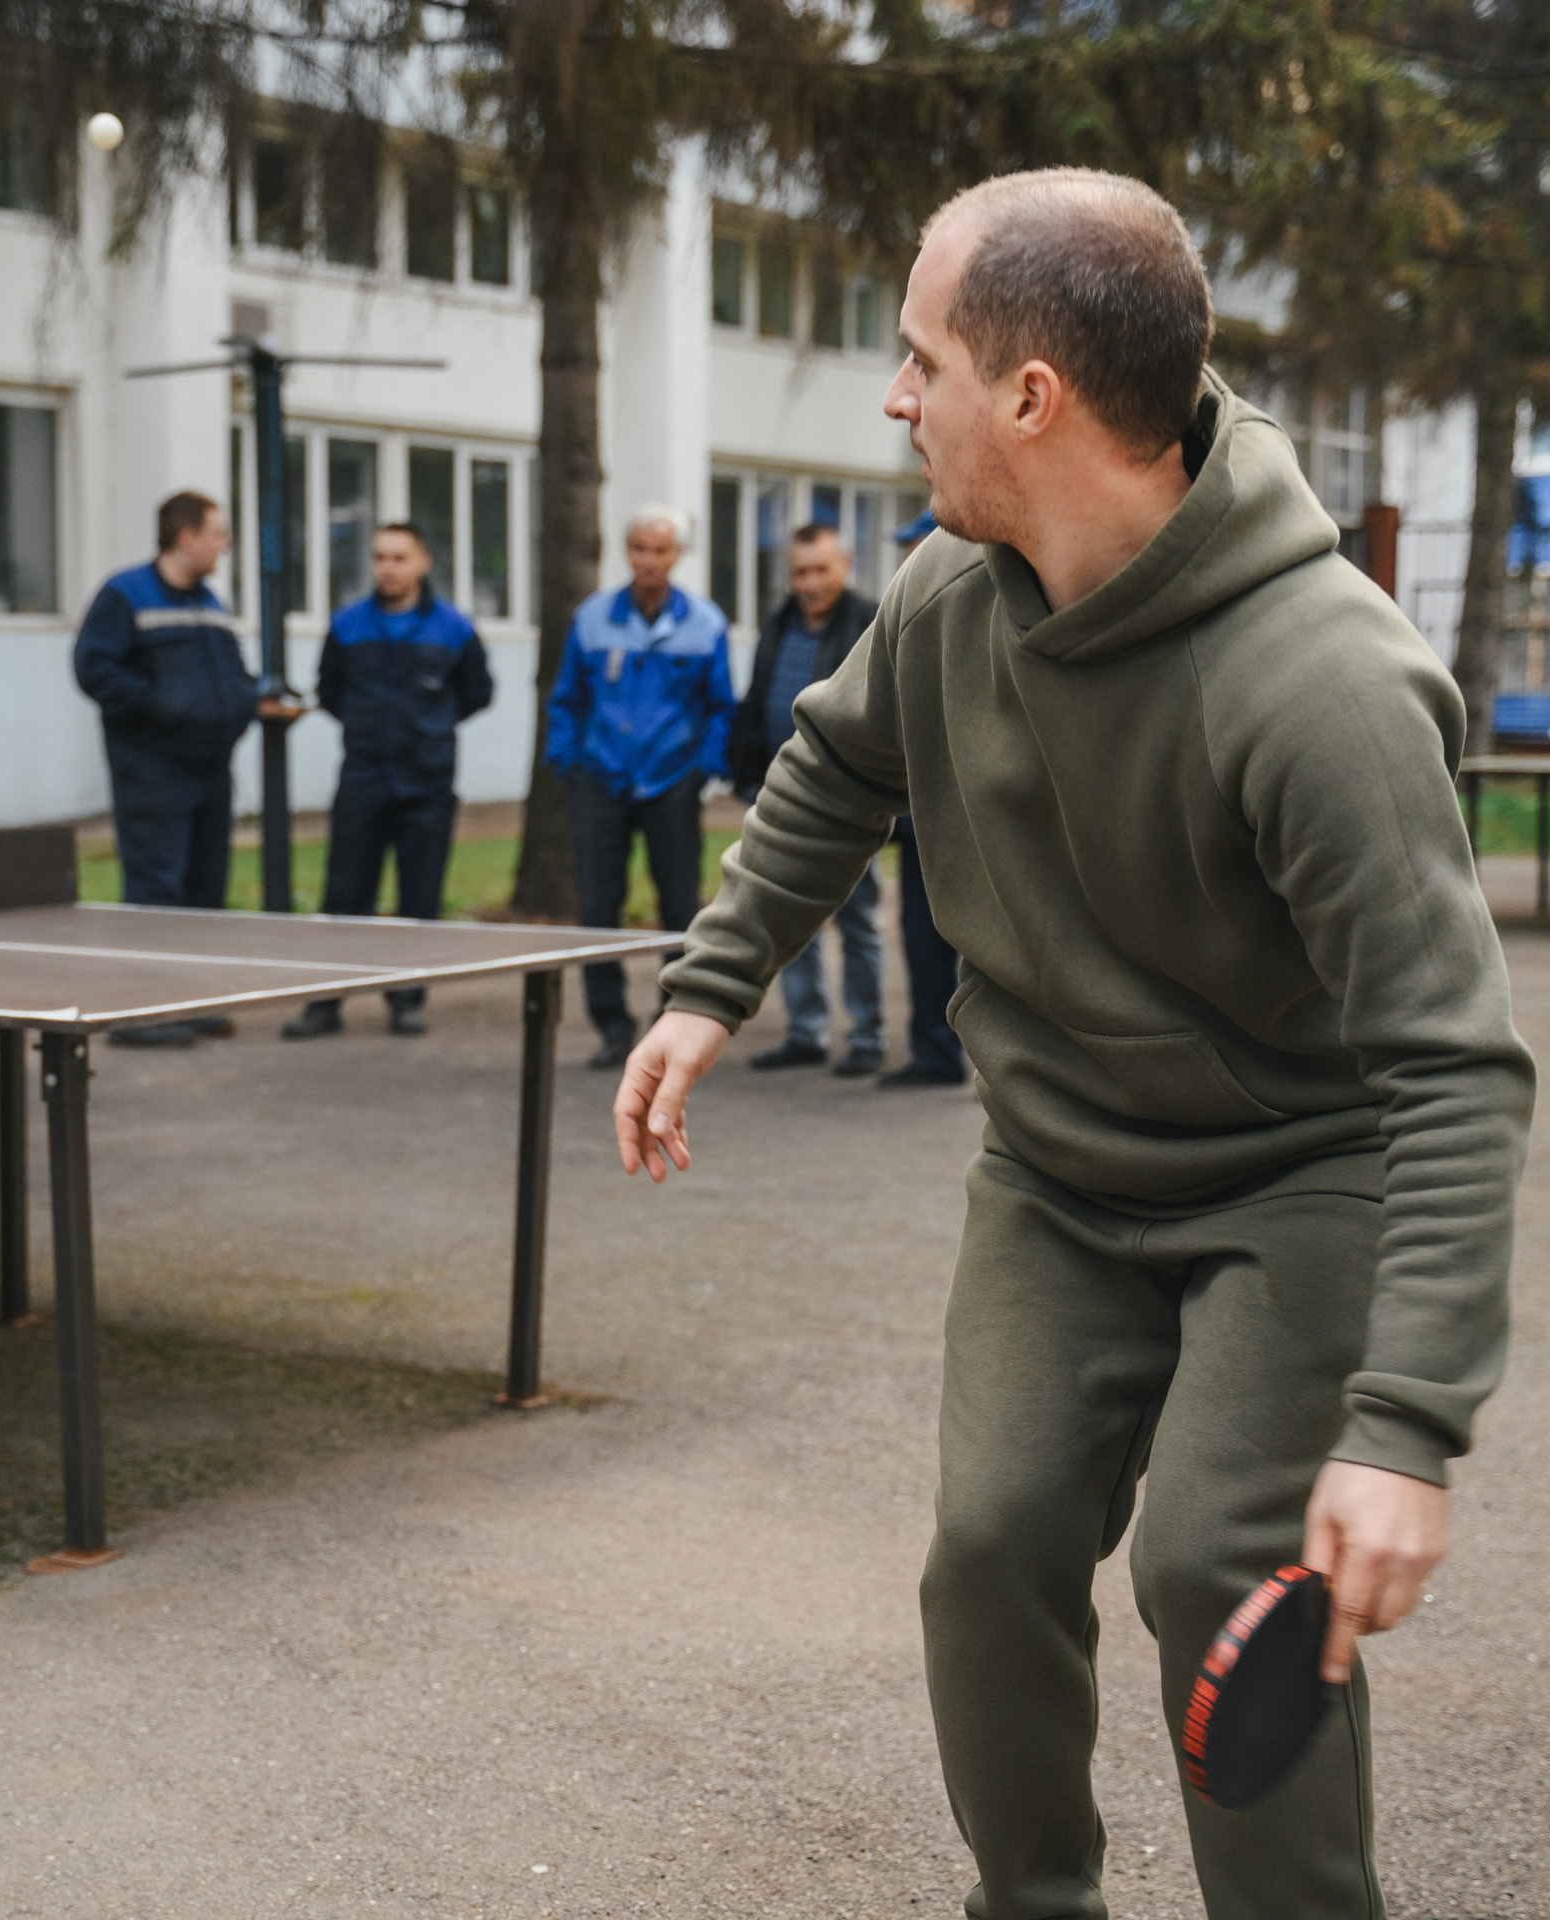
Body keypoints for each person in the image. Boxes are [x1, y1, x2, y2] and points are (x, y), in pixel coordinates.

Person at [613, 169, 1530, 1920]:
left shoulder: (1322, 684)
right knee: (991, 1548)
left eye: (918, 358)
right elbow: (834, 766)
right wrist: (711, 983)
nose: (895, 398)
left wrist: (1405, 1431)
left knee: (1214, 1563)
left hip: (1291, 1182)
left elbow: (1452, 1074)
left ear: (1030, 398)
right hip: (1058, 1176)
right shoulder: (953, 590)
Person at [73, 489, 281, 1048]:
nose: (225, 545)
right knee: (155, 890)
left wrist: (245, 701)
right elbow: (96, 670)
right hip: (153, 768)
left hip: (211, 766)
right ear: (186, 536)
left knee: (203, 890)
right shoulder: (126, 595)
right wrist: (163, 707)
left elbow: (229, 674)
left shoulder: (211, 603)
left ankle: (191, 1002)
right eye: (218, 533)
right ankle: (143, 1013)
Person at [283, 522, 493, 1040]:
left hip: (427, 781)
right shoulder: (349, 624)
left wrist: (428, 730)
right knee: (344, 895)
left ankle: (406, 1000)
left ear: (422, 563)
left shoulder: (452, 628)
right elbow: (329, 691)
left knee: (418, 900)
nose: (388, 567)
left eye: (400, 557)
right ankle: (325, 1002)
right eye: (380, 557)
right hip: (364, 777)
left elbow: (476, 691)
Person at [545, 506, 737, 1070]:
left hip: (671, 780)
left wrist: (703, 766)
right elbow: (567, 700)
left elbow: (720, 706)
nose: (648, 560)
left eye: (660, 550)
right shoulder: (592, 619)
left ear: (677, 556)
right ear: (625, 552)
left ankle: (670, 1015)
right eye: (639, 549)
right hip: (599, 780)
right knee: (598, 907)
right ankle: (610, 1024)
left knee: (680, 903)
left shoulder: (704, 624)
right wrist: (569, 763)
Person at [727, 520, 885, 1075]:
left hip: (847, 798)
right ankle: (806, 1032)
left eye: (820, 569)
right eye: (799, 572)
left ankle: (867, 1036)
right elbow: (757, 698)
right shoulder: (778, 624)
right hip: (779, 793)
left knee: (859, 921)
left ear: (843, 567)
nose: (810, 582)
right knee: (789, 921)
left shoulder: (870, 621)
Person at [877, 508, 970, 1090]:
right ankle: (934, 1050)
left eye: (916, 547)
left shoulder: (958, 620)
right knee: (921, 938)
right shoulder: (910, 620)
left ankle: (944, 1052)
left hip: (959, 816)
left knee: (950, 941)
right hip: (920, 818)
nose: (908, 559)